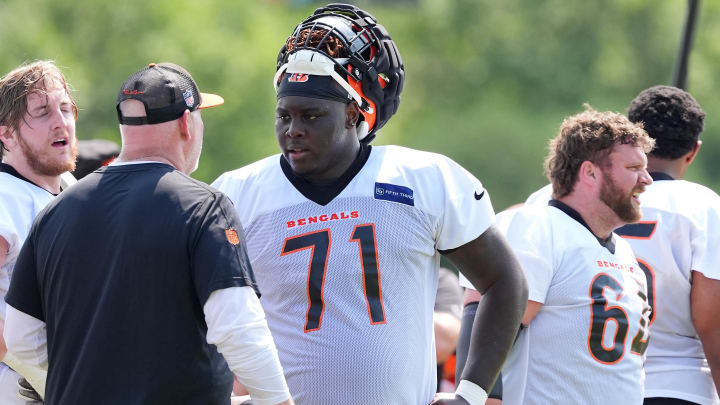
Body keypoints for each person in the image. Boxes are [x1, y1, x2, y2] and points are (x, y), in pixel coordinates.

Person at [212, 4, 527, 405]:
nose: (294, 130)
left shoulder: (424, 179)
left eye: (311, 115)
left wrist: (470, 393)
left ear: (351, 113)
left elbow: (505, 282)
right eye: (284, 116)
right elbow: (196, 309)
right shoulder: (238, 193)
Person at [3, 62, 293, 405]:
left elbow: (23, 337)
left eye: (66, 108)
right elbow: (238, 328)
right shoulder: (205, 206)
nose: (60, 120)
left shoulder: (57, 208)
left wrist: (70, 386)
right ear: (188, 123)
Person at [459, 106, 656, 404]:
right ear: (590, 172)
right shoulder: (539, 226)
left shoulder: (624, 252)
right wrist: (478, 398)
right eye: (633, 169)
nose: (647, 179)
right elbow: (484, 316)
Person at [617, 86, 719, 405]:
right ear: (693, 151)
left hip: (588, 383)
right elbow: (711, 321)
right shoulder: (703, 207)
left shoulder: (577, 196)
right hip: (679, 384)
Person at [0, 60, 78, 404]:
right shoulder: (5, 197)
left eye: (65, 108)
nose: (61, 122)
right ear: (6, 133)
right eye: (43, 112)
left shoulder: (71, 187)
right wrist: (43, 377)